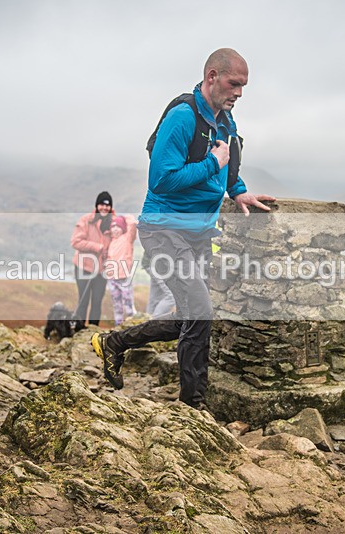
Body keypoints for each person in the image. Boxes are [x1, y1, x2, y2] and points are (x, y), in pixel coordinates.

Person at [90, 48, 275, 409]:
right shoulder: (182, 117)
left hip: (198, 233)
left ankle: (115, 344)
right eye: (233, 83)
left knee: (193, 315)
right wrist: (211, 163)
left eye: (244, 86)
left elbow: (228, 163)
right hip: (163, 230)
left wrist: (238, 192)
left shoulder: (225, 119)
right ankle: (194, 405)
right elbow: (161, 180)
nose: (239, 93)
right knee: (200, 311)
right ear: (211, 77)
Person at [70, 191, 114, 331]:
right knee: (83, 301)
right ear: (96, 206)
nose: (104, 208)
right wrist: (97, 247)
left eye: (107, 206)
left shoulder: (114, 223)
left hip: (101, 270)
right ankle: (79, 331)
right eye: (101, 204)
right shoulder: (86, 220)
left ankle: (93, 333)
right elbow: (75, 242)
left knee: (97, 302)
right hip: (84, 266)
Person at [105, 215, 137, 325]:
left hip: (123, 277)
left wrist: (124, 217)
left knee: (128, 302)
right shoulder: (111, 241)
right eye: (113, 226)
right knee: (116, 303)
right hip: (112, 278)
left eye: (118, 226)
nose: (115, 229)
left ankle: (131, 321)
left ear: (123, 228)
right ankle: (118, 323)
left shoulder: (127, 238)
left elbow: (132, 224)